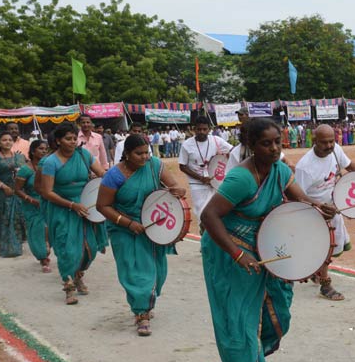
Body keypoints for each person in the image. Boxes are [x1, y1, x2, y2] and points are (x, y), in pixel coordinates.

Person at [200, 118, 335, 362]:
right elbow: (209, 216)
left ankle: (248, 359)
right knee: (241, 319)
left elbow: (299, 198)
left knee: (279, 315)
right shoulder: (242, 179)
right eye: (266, 143)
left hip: (264, 251)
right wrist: (236, 254)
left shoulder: (280, 170)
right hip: (230, 253)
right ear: (250, 145)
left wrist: (317, 206)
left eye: (278, 141)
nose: (274, 148)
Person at [97, 134, 186, 337]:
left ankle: (145, 303)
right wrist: (128, 223)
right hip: (124, 228)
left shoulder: (154, 165)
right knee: (135, 272)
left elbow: (172, 187)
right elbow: (103, 206)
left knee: (157, 272)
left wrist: (177, 190)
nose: (145, 157)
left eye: (147, 152)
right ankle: (142, 314)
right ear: (127, 154)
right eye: (139, 153)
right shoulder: (114, 175)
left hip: (152, 226)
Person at [295, 124, 355, 300]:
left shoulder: (335, 150)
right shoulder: (305, 166)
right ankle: (325, 284)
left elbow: (348, 165)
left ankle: (317, 271)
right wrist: (318, 207)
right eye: (324, 142)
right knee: (327, 245)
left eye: (331, 141)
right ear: (314, 141)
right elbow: (298, 196)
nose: (328, 146)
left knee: (334, 245)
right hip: (314, 211)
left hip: (334, 207)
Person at [39, 122, 108, 305]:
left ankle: (79, 275)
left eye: (74, 138)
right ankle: (68, 286)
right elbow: (47, 192)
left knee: (89, 248)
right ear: (58, 141)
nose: (72, 142)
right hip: (62, 208)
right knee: (66, 248)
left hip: (86, 206)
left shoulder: (84, 155)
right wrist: (72, 205)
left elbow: (102, 173)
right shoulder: (50, 162)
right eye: (68, 139)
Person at [178, 116, 232, 222]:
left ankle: (213, 236)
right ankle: (204, 235)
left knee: (217, 211)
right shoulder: (187, 145)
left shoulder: (216, 140)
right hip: (197, 184)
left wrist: (227, 158)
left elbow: (233, 150)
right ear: (194, 129)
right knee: (201, 213)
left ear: (209, 129)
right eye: (199, 129)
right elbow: (182, 166)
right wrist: (200, 178)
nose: (202, 132)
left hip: (215, 183)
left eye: (204, 129)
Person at [0, 131, 28, 258]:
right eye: (4, 140)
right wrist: (3, 186)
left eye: (10, 140)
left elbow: (26, 173)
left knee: (18, 219)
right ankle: (6, 247)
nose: (8, 142)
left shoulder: (20, 157)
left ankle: (16, 245)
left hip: (18, 192)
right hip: (1, 193)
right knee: (2, 217)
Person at [15, 140, 52, 273]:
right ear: (32, 151)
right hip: (32, 205)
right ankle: (43, 258)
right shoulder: (25, 169)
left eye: (45, 149)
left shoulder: (49, 166)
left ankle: (47, 248)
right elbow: (18, 190)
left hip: (48, 202)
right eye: (40, 149)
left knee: (50, 229)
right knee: (37, 231)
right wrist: (31, 200)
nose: (43, 151)